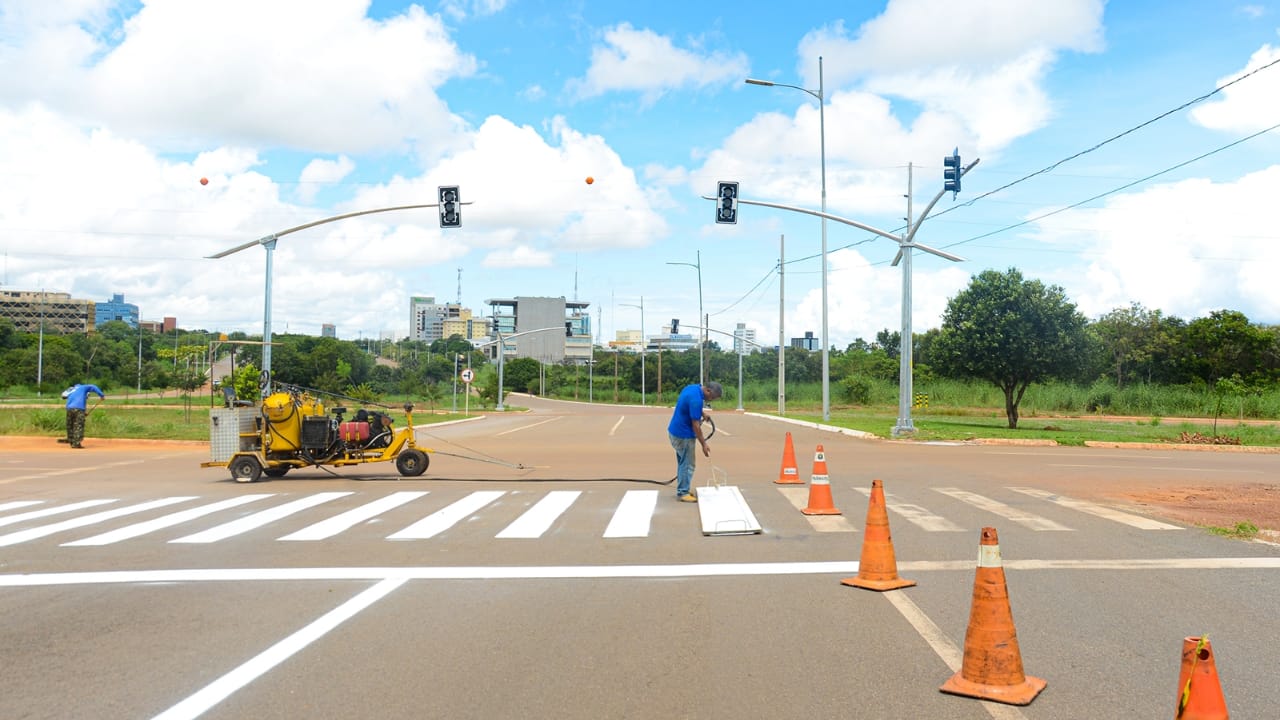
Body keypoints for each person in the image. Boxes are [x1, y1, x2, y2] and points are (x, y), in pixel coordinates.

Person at [667, 381, 722, 502]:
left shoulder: (692, 388)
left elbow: (690, 406)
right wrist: (704, 444)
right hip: (683, 435)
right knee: (688, 464)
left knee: (683, 462)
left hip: (674, 431)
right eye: (712, 397)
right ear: (708, 390)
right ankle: (683, 492)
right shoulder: (696, 400)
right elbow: (696, 426)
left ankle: (683, 487)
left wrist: (702, 413)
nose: (711, 400)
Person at [63, 383, 105, 449]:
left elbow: (66, 397)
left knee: (70, 425)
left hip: (69, 409)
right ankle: (76, 443)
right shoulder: (83, 387)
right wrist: (101, 395)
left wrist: (83, 412)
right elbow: (93, 386)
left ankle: (71, 441)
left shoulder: (72, 389)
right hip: (79, 409)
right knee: (78, 425)